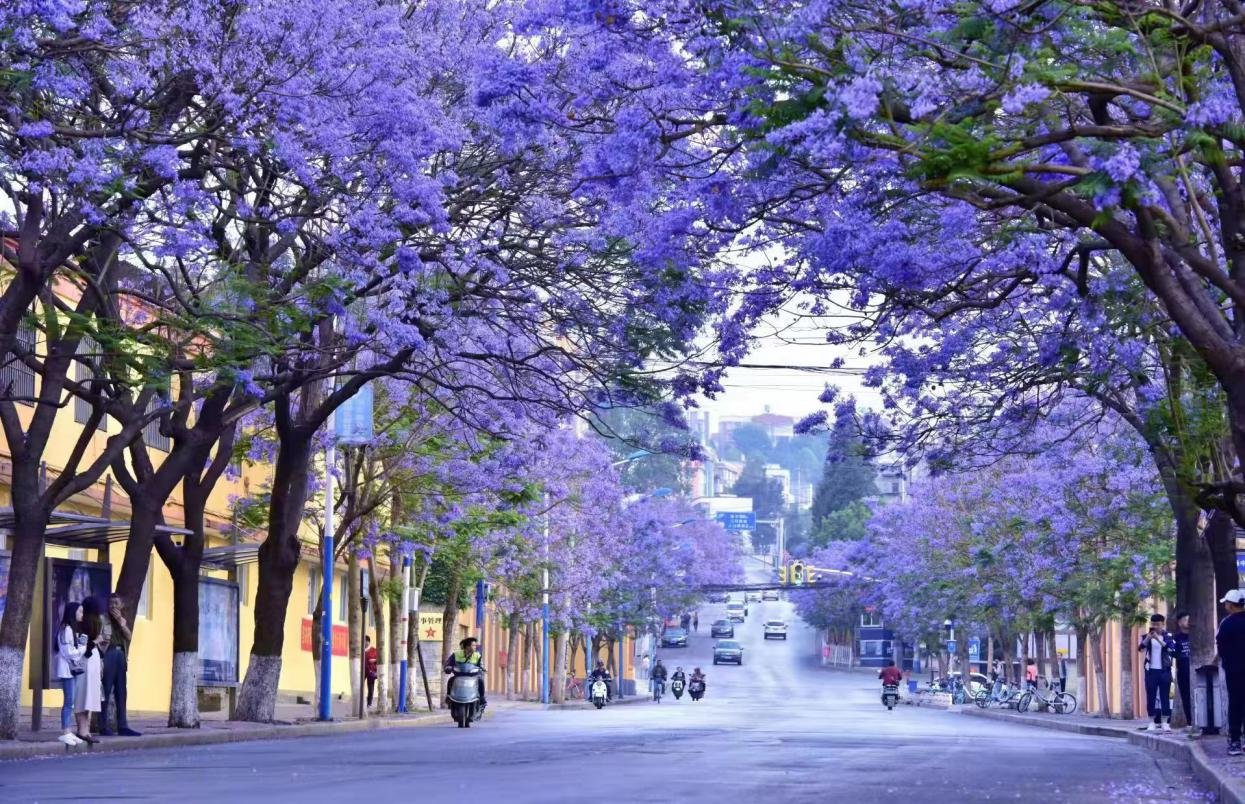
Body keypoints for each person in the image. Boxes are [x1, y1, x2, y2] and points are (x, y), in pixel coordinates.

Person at [99, 593, 140, 736]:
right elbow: (98, 637)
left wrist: (122, 624)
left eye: (116, 603)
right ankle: (102, 726)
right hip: (108, 654)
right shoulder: (103, 619)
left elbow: (128, 637)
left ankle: (123, 726)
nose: (113, 606)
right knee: (106, 690)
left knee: (122, 692)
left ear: (121, 606)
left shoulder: (122, 620)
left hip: (121, 655)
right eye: (111, 603)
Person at [53, 601, 85, 747]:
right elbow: (69, 653)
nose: (82, 615)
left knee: (70, 702)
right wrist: (82, 648)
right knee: (68, 702)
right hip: (67, 670)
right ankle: (65, 732)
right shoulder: (66, 629)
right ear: (73, 613)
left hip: (69, 669)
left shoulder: (69, 629)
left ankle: (68, 731)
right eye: (79, 612)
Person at [1217, 589, 1245, 755]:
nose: (1225, 605)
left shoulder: (1226, 623)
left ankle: (1235, 741)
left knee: (1235, 703)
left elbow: (1221, 645)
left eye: (1226, 603)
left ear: (1232, 605)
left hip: (1234, 670)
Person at [1139, 613, 1178, 732]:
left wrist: (1158, 639)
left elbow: (1171, 649)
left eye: (1158, 624)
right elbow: (1140, 648)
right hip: (1151, 671)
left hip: (1164, 670)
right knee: (1151, 696)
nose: (1155, 626)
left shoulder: (1168, 636)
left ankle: (1165, 722)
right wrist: (1148, 638)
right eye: (1153, 624)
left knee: (1164, 696)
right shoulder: (1147, 636)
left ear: (1163, 624)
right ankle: (1151, 721)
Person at [74, 597, 104, 744]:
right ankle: (86, 731)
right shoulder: (98, 623)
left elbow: (83, 647)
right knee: (90, 694)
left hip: (85, 660)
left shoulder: (82, 623)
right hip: (94, 659)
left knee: (81, 694)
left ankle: (82, 730)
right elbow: (93, 645)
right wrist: (97, 642)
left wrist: (94, 642)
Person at [444, 637, 486, 710]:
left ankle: (482, 698)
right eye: (473, 645)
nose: (475, 647)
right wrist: (448, 667)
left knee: (480, 681)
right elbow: (448, 663)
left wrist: (482, 668)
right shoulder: (456, 654)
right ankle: (448, 696)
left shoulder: (477, 655)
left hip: (472, 677)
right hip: (458, 676)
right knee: (450, 680)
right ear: (467, 646)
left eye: (475, 645)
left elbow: (481, 665)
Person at [1173, 611, 1193, 731]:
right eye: (1185, 620)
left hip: (1197, 671)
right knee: (1186, 697)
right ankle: (1190, 722)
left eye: (1189, 619)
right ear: (1180, 623)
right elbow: (1173, 653)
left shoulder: (1197, 635)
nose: (1188, 622)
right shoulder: (1176, 638)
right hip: (1183, 672)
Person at [364, 635, 378, 709]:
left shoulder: (373, 650)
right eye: (364, 641)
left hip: (371, 671)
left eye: (366, 641)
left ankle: (369, 703)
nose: (365, 643)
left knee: (370, 688)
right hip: (363, 671)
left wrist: (374, 660)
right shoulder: (361, 650)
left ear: (368, 642)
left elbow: (379, 659)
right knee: (360, 686)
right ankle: (361, 701)